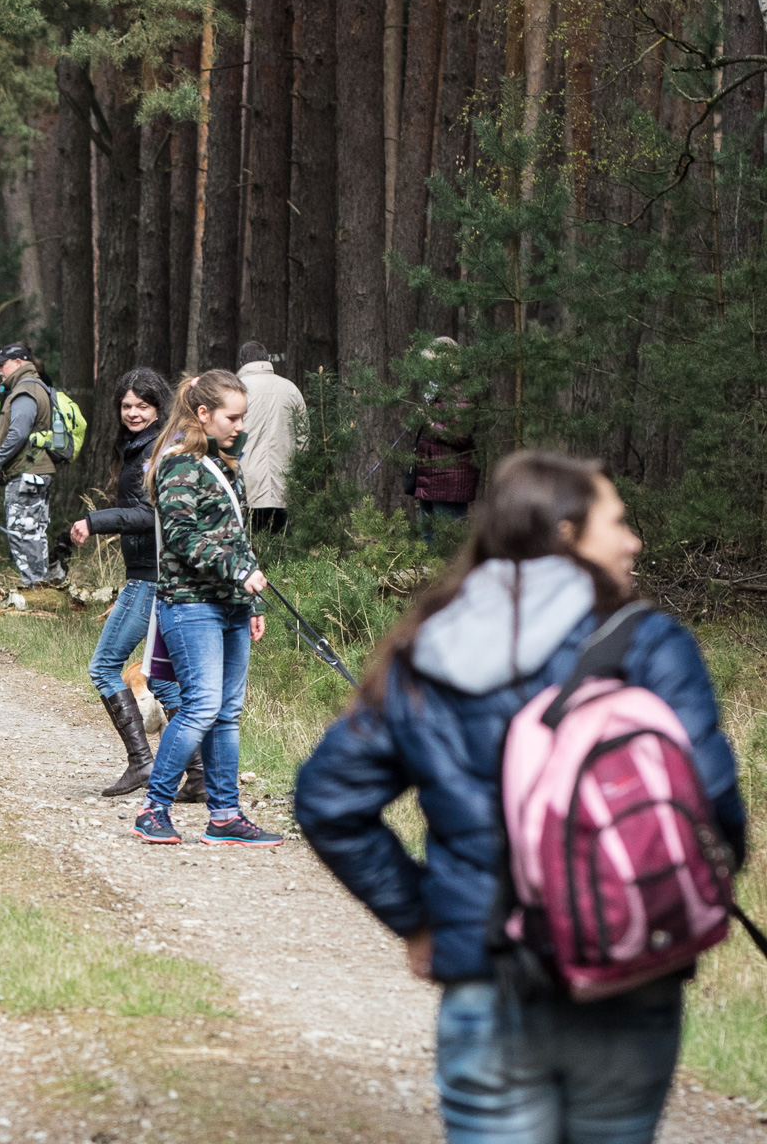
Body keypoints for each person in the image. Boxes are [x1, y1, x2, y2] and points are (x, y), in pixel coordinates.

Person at [295, 451, 748, 1144]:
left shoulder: (430, 645)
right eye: (618, 521)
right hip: (627, 977)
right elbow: (716, 814)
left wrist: (421, 920)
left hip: (486, 975)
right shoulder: (648, 644)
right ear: (567, 534)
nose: (634, 541)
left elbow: (328, 798)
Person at [130, 369, 279, 847]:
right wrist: (238, 571)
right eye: (231, 417)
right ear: (203, 413)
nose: (239, 426)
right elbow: (180, 536)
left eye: (242, 417)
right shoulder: (178, 464)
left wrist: (250, 597)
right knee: (201, 707)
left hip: (232, 605)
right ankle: (154, 808)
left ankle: (225, 816)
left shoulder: (222, 463)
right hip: (192, 605)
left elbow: (236, 537)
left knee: (228, 712)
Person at [67, 368, 191, 798]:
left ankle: (142, 763)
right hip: (157, 575)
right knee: (162, 677)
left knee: (103, 668)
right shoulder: (146, 446)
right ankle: (198, 776)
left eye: (142, 406)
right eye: (126, 406)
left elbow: (150, 516)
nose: (133, 413)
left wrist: (93, 521)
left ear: (159, 408)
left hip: (149, 579)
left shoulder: (153, 451)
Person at [0, 342, 62, 587]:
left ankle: (35, 585)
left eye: (2, 364)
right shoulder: (34, 386)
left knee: (21, 533)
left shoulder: (25, 390)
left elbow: (18, 432)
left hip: (27, 473)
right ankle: (40, 584)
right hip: (33, 471)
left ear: (18, 362)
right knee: (33, 532)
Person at [233, 341, 305, 534]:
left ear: (241, 362)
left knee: (249, 547)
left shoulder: (236, 391)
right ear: (267, 360)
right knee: (283, 548)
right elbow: (303, 438)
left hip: (246, 484)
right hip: (285, 483)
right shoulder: (291, 390)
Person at [414, 338, 479, 545]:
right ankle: (434, 579)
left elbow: (461, 435)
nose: (431, 368)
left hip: (450, 478)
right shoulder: (434, 390)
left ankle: (453, 578)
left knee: (449, 543)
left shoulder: (460, 392)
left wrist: (431, 422)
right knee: (429, 538)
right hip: (430, 476)